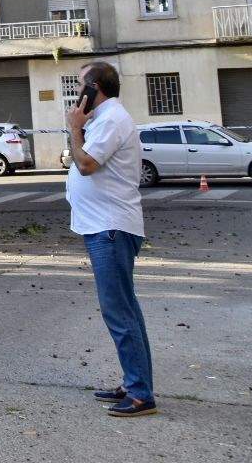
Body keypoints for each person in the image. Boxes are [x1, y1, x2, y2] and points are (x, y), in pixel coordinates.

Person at [65, 60, 155, 417]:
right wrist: (81, 128)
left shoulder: (113, 119)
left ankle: (140, 394)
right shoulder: (104, 120)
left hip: (110, 228)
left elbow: (86, 164)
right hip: (104, 225)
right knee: (126, 310)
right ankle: (135, 382)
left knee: (119, 312)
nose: (75, 93)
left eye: (79, 85)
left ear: (94, 88)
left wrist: (75, 128)